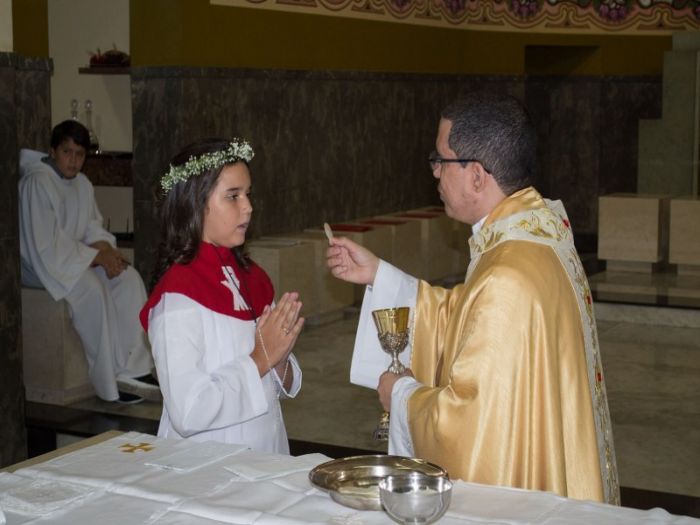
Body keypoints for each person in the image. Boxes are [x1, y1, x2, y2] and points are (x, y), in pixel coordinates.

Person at [326, 93, 619, 504]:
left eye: (440, 160)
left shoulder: (507, 275)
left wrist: (403, 397)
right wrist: (379, 274)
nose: (434, 172)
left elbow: (472, 425)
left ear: (477, 176)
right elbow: (468, 318)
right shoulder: (533, 236)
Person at [139, 138, 304, 453]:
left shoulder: (252, 279)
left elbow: (273, 385)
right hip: (205, 462)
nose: (248, 207)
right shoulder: (178, 295)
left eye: (248, 194)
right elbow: (188, 411)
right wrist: (260, 359)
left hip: (265, 451)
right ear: (195, 203)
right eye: (233, 196)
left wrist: (280, 359)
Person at [19, 120, 159, 404]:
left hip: (73, 259)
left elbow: (92, 228)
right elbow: (46, 245)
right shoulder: (37, 182)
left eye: (79, 154)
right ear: (52, 151)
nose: (73, 161)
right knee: (92, 289)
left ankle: (134, 370)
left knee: (128, 278)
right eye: (67, 152)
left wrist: (107, 252)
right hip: (38, 266)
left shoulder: (82, 184)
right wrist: (96, 257)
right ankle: (109, 382)